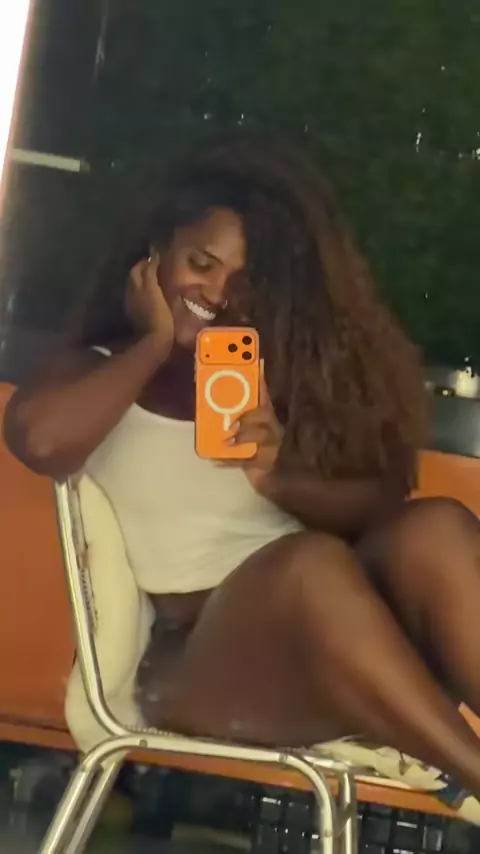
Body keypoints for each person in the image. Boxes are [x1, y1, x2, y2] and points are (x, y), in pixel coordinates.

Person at [6, 137, 480, 804]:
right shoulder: (99, 370)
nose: (216, 292)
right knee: (307, 566)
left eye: (244, 282)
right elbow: (41, 441)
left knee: (434, 527)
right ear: (156, 252)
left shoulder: (271, 382)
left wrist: (280, 477)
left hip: (339, 643)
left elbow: (380, 512)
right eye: (201, 263)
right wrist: (153, 342)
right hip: (202, 667)